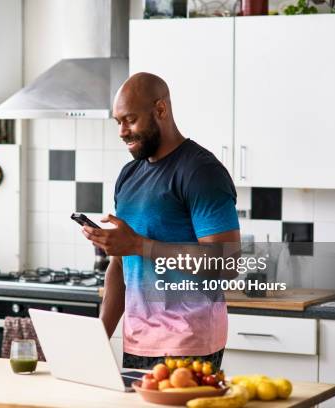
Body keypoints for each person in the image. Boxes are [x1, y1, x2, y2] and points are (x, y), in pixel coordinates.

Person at [82, 73, 240, 370]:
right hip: (138, 339)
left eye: (130, 119)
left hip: (188, 341)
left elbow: (226, 263)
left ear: (161, 110)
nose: (122, 131)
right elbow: (118, 268)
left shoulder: (201, 172)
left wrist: (140, 245)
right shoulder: (129, 175)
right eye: (118, 122)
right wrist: (99, 336)